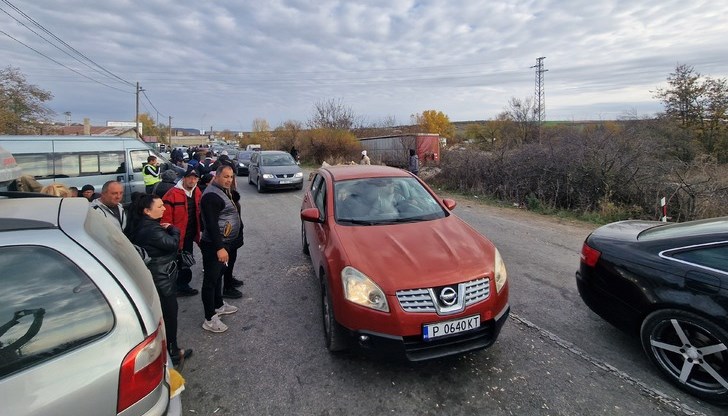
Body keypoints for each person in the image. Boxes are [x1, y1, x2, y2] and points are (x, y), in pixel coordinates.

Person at [124, 194, 192, 365]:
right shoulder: (152, 230)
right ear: (147, 211)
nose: (164, 208)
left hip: (156, 276)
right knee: (169, 315)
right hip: (161, 278)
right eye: (160, 206)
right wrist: (173, 229)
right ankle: (172, 351)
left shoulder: (141, 225)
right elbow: (172, 244)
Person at [199, 165, 243, 333]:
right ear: (216, 176)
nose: (228, 180)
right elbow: (210, 224)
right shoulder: (211, 196)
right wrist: (219, 248)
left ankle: (218, 305)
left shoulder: (223, 191)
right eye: (225, 176)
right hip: (214, 245)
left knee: (218, 277)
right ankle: (209, 318)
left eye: (231, 177)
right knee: (210, 281)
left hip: (224, 243)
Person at [162, 166, 202, 297]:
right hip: (176, 237)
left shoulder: (197, 192)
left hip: (189, 235)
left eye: (195, 178)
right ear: (183, 178)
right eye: (189, 177)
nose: (192, 180)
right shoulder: (172, 194)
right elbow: (165, 218)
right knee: (176, 262)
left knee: (186, 261)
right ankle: (177, 287)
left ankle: (183, 285)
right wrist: (171, 235)